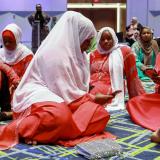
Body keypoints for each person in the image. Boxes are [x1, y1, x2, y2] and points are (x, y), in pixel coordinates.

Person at [0, 11, 117, 150]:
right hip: (38, 97)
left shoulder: (79, 55)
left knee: (100, 114)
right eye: (86, 39)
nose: (88, 44)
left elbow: (72, 93)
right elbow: (64, 92)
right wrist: (92, 98)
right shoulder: (54, 54)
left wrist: (92, 100)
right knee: (59, 115)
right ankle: (24, 128)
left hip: (65, 102)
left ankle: (51, 131)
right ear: (75, 36)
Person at [89, 27, 145, 110]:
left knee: (93, 96)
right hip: (90, 84)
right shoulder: (92, 54)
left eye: (109, 39)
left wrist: (137, 98)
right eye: (102, 39)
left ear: (114, 39)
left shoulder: (124, 52)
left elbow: (132, 77)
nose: (106, 41)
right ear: (98, 41)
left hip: (111, 85)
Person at [0, 23, 34, 121]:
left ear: (17, 39)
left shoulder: (26, 54)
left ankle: (10, 113)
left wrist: (17, 83)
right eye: (4, 41)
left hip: (21, 87)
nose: (7, 44)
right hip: (5, 90)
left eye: (10, 41)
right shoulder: (1, 54)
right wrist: (12, 75)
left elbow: (31, 75)